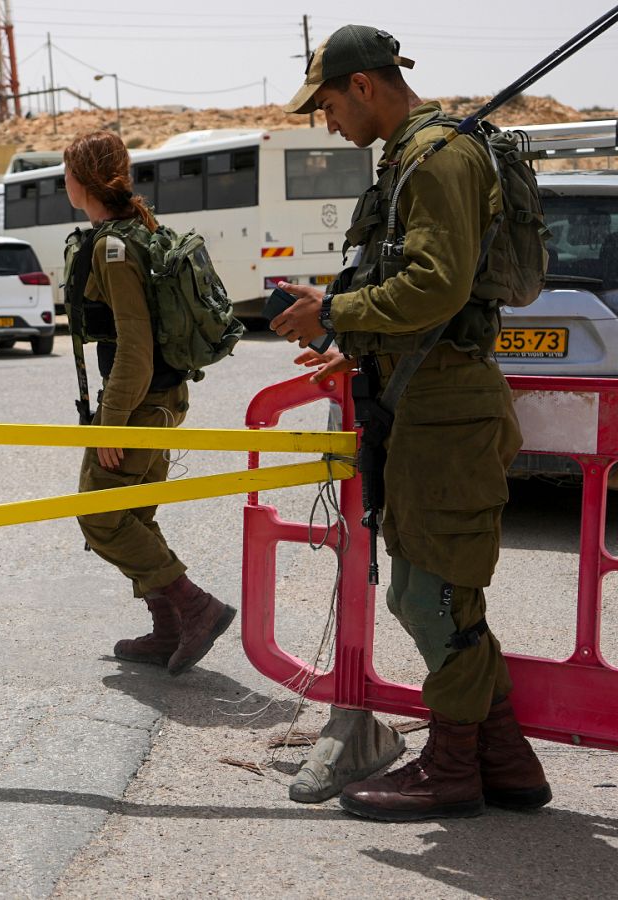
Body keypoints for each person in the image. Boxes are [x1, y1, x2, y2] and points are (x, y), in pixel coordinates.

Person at [272, 24, 549, 821]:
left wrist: (336, 311)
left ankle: (454, 769)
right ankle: (503, 759)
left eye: (328, 105)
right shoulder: (413, 156)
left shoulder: (435, 158)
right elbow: (427, 297)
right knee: (434, 593)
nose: (328, 123)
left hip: (447, 411)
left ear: (363, 85)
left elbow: (435, 286)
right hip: (426, 399)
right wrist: (352, 343)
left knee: (430, 596)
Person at [60, 131, 235, 677]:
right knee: (131, 514)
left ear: (81, 182)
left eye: (66, 174)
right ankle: (168, 630)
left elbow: (134, 347)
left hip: (138, 404)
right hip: (161, 399)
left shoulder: (112, 248)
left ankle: (195, 607)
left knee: (100, 516)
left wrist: (111, 425)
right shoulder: (139, 230)